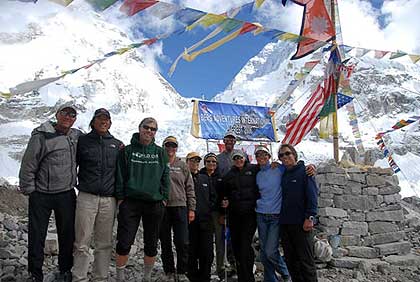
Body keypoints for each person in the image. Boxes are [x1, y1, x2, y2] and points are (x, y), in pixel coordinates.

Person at [19, 103, 82, 282]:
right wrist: (30, 190)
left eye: (72, 115)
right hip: (42, 194)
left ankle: (64, 270)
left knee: (67, 234)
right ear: (57, 114)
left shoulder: (76, 136)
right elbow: (29, 163)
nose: (68, 118)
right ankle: (35, 273)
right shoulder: (42, 135)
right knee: (37, 234)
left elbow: (93, 143)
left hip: (66, 193)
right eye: (65, 113)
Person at [114, 117, 170, 282]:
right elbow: (120, 175)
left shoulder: (160, 152)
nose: (149, 131)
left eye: (153, 129)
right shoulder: (127, 151)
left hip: (154, 203)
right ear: (139, 128)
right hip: (130, 202)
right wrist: (120, 198)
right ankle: (120, 277)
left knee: (151, 243)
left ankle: (146, 277)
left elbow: (165, 177)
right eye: (147, 127)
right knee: (124, 241)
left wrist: (164, 198)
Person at [72, 108, 124, 282]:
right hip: (86, 196)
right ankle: (79, 277)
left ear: (110, 122)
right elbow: (73, 165)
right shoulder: (83, 141)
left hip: (109, 200)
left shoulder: (117, 144)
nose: (103, 121)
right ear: (93, 121)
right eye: (100, 118)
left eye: (107, 119)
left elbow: (121, 173)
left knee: (105, 243)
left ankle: (100, 278)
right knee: (82, 241)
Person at [278, 144, 318, 282]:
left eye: (287, 153)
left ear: (294, 154)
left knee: (306, 261)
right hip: (285, 223)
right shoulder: (282, 173)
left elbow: (312, 196)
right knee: (291, 261)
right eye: (281, 155)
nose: (285, 157)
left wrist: (310, 217)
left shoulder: (305, 172)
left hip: (301, 223)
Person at [159, 136, 196, 282]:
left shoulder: (182, 166)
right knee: (165, 241)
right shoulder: (159, 163)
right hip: (162, 208)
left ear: (176, 148)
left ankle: (182, 271)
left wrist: (192, 208)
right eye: (168, 145)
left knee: (182, 241)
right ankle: (169, 271)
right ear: (163, 146)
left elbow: (190, 188)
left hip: (180, 207)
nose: (170, 148)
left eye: (173, 145)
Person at [222, 150, 259, 282]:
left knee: (245, 246)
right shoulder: (229, 175)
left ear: (245, 158)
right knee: (237, 247)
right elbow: (224, 193)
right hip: (234, 215)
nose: (238, 160)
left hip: (249, 215)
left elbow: (268, 169)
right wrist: (224, 201)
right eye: (236, 158)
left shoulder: (254, 169)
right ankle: (242, 276)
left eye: (240, 158)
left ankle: (249, 277)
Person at [254, 146, 290, 282]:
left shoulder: (278, 169)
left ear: (269, 157)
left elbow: (293, 168)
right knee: (264, 251)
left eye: (264, 155)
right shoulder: (257, 173)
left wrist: (309, 167)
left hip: (276, 215)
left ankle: (286, 273)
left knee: (270, 250)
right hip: (261, 214)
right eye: (258, 155)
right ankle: (270, 279)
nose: (262, 157)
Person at [186, 152, 220, 282]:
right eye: (192, 160)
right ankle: (192, 276)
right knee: (191, 249)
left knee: (207, 251)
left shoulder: (204, 178)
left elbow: (214, 197)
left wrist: (207, 208)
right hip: (189, 221)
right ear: (187, 162)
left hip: (205, 220)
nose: (194, 163)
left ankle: (205, 276)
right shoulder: (184, 177)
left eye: (197, 161)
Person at [214, 132, 240, 279]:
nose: (229, 141)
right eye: (227, 139)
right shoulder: (218, 159)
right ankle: (221, 268)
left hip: (237, 202)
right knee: (222, 237)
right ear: (223, 141)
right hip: (224, 201)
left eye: (232, 139)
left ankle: (235, 264)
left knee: (234, 236)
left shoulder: (240, 155)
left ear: (235, 141)